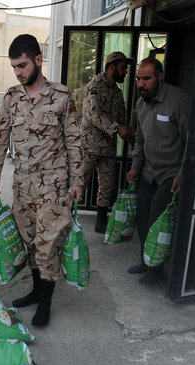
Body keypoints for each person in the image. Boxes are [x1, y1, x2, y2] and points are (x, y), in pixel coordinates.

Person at [0, 34, 84, 326]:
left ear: (39, 61)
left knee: (47, 245)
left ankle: (46, 303)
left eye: (23, 65)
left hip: (54, 186)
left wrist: (77, 179)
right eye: (14, 66)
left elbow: (74, 140)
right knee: (29, 243)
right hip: (22, 185)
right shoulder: (11, 98)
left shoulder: (62, 96)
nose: (18, 72)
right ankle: (35, 290)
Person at [126, 57, 190, 284]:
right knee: (142, 219)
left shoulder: (178, 100)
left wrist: (183, 172)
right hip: (148, 171)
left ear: (159, 77)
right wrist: (135, 167)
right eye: (137, 79)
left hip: (170, 172)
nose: (140, 84)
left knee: (157, 219)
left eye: (146, 78)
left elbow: (190, 140)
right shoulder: (141, 104)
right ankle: (145, 260)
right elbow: (140, 140)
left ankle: (156, 268)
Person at [82, 51, 135, 233]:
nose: (126, 71)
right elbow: (93, 114)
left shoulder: (118, 93)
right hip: (90, 145)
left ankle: (101, 222)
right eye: (123, 67)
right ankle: (65, 218)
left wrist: (130, 135)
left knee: (106, 185)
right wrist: (116, 128)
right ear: (112, 67)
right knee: (80, 182)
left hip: (108, 147)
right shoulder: (94, 86)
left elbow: (122, 119)